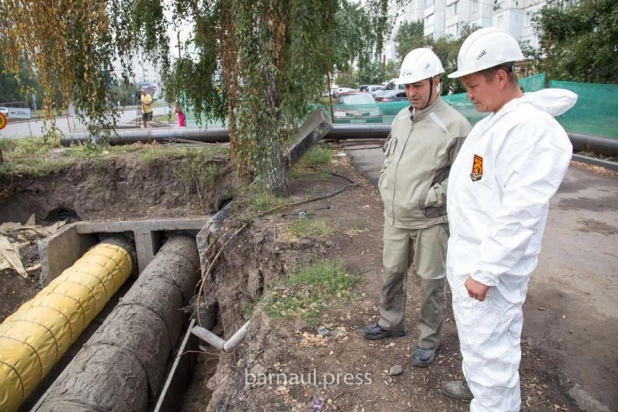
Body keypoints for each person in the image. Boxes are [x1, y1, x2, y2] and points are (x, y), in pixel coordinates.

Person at [440, 27, 577, 410]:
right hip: (472, 261)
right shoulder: (496, 123)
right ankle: (482, 394)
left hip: (490, 272)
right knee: (480, 353)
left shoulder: (532, 131)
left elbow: (521, 211)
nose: (467, 94)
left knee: (493, 363)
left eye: (472, 85)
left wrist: (486, 271)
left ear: (500, 77)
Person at [362, 48, 471, 368]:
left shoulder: (456, 125)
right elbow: (390, 158)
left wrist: (431, 198)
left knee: (431, 281)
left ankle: (428, 340)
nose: (411, 92)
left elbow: (466, 179)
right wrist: (385, 183)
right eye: (408, 86)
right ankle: (390, 322)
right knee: (392, 273)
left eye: (418, 85)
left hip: (430, 221)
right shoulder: (400, 117)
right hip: (395, 217)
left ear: (436, 83)